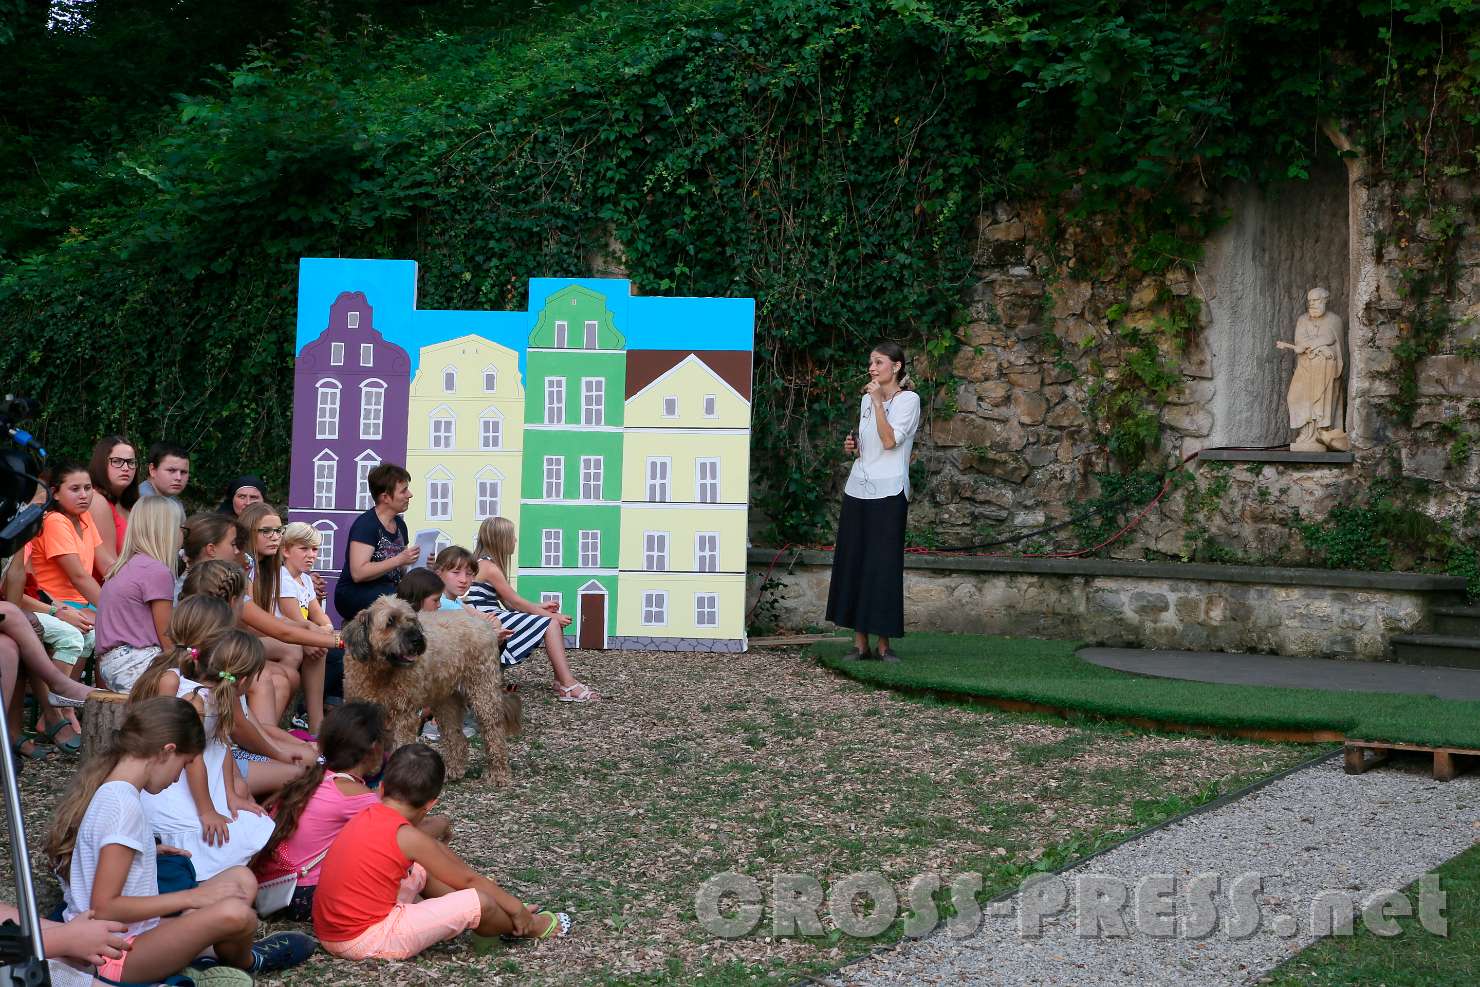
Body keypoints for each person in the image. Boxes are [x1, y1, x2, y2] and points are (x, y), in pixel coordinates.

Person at [44, 695, 316, 983]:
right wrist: (193, 897)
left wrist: (149, 851)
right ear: (166, 751)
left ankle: (205, 950)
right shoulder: (124, 807)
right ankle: (246, 959)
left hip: (131, 932)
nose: (177, 779)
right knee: (238, 915)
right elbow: (105, 907)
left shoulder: (116, 792)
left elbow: (106, 856)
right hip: (114, 953)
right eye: (183, 765)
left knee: (240, 879)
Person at [312, 743, 569, 960]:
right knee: (477, 901)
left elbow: (453, 869)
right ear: (430, 804)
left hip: (331, 930)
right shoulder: (408, 836)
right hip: (363, 939)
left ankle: (496, 917)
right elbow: (467, 878)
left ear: (381, 788)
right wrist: (515, 907)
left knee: (422, 871)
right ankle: (529, 926)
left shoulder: (367, 813)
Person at [252, 702, 451, 921]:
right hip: (303, 895)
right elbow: (404, 838)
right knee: (414, 868)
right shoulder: (357, 797)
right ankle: (466, 908)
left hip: (272, 888)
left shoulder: (314, 778)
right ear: (375, 749)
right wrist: (441, 823)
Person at [132, 630, 281, 879]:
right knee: (213, 831)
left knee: (249, 821)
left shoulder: (219, 697)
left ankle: (227, 874)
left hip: (207, 783)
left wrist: (231, 794)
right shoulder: (196, 702)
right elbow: (193, 759)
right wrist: (206, 811)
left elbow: (219, 745)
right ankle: (201, 876)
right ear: (243, 679)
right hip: (179, 784)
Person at [825, 341, 922, 662]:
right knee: (854, 562)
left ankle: (883, 646)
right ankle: (859, 643)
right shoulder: (867, 399)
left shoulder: (909, 401)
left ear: (896, 367)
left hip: (890, 492)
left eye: (878, 362)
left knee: (883, 567)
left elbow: (890, 441)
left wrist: (880, 403)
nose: (872, 367)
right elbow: (871, 443)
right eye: (870, 362)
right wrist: (853, 446)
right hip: (858, 489)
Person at [179, 561, 318, 767]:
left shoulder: (216, 659)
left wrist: (301, 744)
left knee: (310, 757)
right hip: (225, 762)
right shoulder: (221, 673)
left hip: (227, 759)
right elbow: (241, 733)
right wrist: (282, 754)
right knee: (303, 766)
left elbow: (257, 726)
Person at [468, 517, 598, 702]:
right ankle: (568, 683)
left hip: (490, 614)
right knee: (551, 622)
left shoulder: (485, 564)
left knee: (549, 619)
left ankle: (560, 680)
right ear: (501, 540)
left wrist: (540, 608)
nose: (515, 540)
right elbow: (516, 603)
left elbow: (510, 604)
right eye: (512, 536)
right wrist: (551, 616)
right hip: (485, 618)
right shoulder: (489, 567)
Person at [95, 495, 184, 692]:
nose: (182, 535)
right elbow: (167, 639)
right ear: (167, 531)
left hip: (112, 665)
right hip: (137, 663)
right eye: (181, 528)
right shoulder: (156, 571)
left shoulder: (126, 567)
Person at [334, 463, 420, 622]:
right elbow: (358, 573)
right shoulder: (366, 525)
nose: (410, 494)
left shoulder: (400, 525)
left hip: (389, 590)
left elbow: (402, 570)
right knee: (403, 600)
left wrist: (419, 561)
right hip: (357, 594)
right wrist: (399, 559)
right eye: (403, 490)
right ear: (385, 497)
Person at [277, 522, 335, 732]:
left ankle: (316, 722)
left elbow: (318, 614)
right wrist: (320, 633)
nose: (311, 555)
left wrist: (326, 627)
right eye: (303, 549)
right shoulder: (282, 577)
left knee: (322, 649)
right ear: (285, 550)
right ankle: (314, 721)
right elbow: (294, 618)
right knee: (317, 648)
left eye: (314, 549)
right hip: (284, 634)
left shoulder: (306, 580)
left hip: (302, 633)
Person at [87, 435, 141, 569]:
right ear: (102, 463)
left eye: (131, 462)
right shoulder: (97, 500)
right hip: (107, 586)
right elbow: (108, 565)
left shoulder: (131, 503)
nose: (125, 468)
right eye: (117, 461)